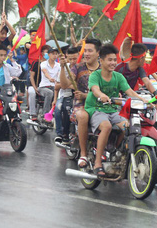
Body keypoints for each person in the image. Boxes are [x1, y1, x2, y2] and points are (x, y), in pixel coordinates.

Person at [84, 44, 145, 176]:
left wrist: (143, 100)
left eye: (114, 60)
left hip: (112, 110)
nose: (113, 63)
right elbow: (95, 89)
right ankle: (98, 163)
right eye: (109, 60)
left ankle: (115, 150)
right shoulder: (96, 75)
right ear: (101, 61)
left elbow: (129, 91)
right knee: (106, 126)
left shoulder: (118, 76)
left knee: (127, 126)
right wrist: (101, 95)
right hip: (96, 108)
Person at [61, 39, 101, 169]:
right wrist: (62, 67)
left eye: (90, 51)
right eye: (85, 51)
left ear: (98, 53)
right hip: (81, 106)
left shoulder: (104, 68)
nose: (87, 54)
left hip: (101, 105)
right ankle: (83, 154)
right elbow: (65, 84)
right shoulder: (77, 68)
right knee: (83, 116)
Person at [54, 46, 79, 144]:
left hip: (81, 95)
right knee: (60, 108)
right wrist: (55, 99)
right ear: (67, 57)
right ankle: (62, 134)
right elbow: (58, 86)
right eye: (70, 59)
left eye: (75, 58)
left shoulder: (82, 67)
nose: (73, 61)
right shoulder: (65, 68)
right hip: (66, 95)